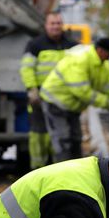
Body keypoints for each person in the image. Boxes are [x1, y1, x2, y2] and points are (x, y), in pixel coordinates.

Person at [39, 38, 109, 162]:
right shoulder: (80, 59)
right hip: (55, 102)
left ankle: (74, 171)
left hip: (72, 106)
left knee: (76, 140)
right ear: (100, 50)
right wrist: (104, 102)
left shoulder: (102, 66)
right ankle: (61, 171)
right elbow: (80, 90)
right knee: (62, 139)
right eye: (108, 55)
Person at [20, 12, 77, 169]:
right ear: (46, 26)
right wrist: (32, 89)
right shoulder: (35, 45)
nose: (56, 26)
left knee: (61, 138)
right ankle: (37, 170)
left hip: (63, 101)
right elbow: (27, 69)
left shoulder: (72, 45)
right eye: (52, 23)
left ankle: (56, 170)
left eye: (58, 23)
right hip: (39, 99)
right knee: (39, 136)